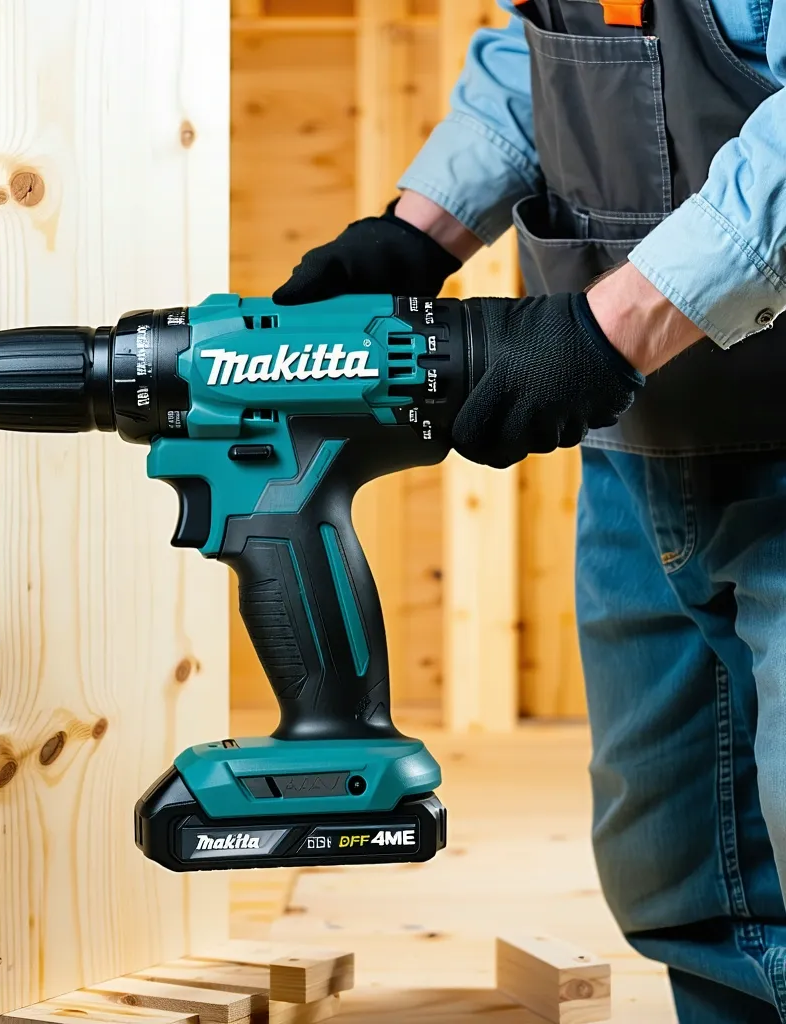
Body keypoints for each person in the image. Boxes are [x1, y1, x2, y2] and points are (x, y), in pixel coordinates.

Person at [273, 1, 786, 1020]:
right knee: (681, 873)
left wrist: (606, 331)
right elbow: (545, 57)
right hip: (642, 449)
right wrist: (414, 233)